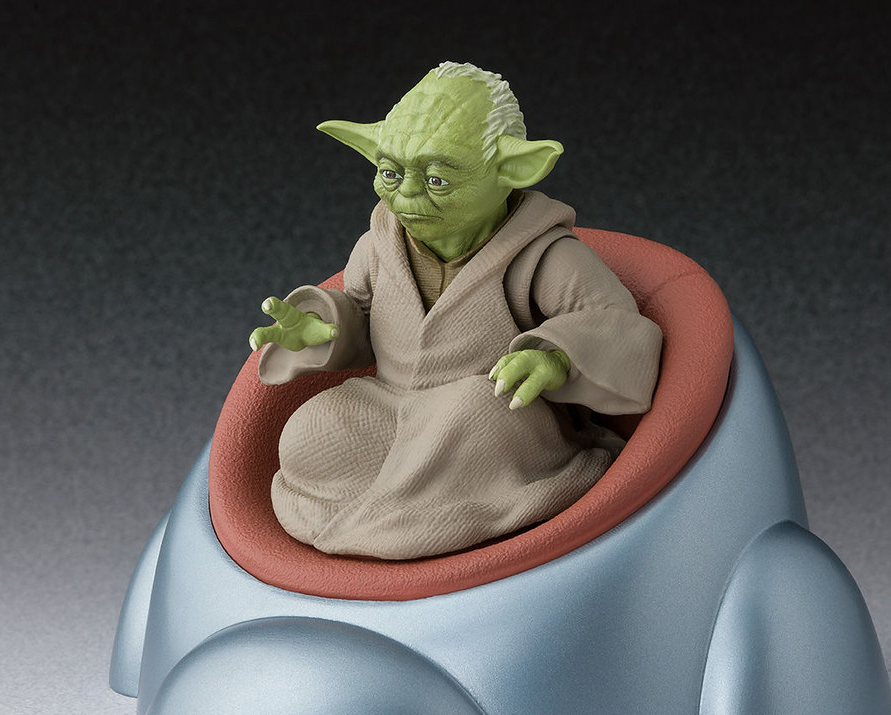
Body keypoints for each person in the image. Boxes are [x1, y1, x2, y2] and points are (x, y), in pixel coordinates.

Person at [249, 61, 662, 559]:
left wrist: (554, 358)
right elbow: (362, 315)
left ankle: (393, 517)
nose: (406, 194)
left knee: (471, 410)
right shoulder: (377, 248)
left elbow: (612, 323)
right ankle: (394, 511)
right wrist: (323, 327)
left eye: (438, 179)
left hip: (494, 414)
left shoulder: (544, 256)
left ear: (512, 170)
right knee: (312, 430)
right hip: (392, 404)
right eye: (390, 172)